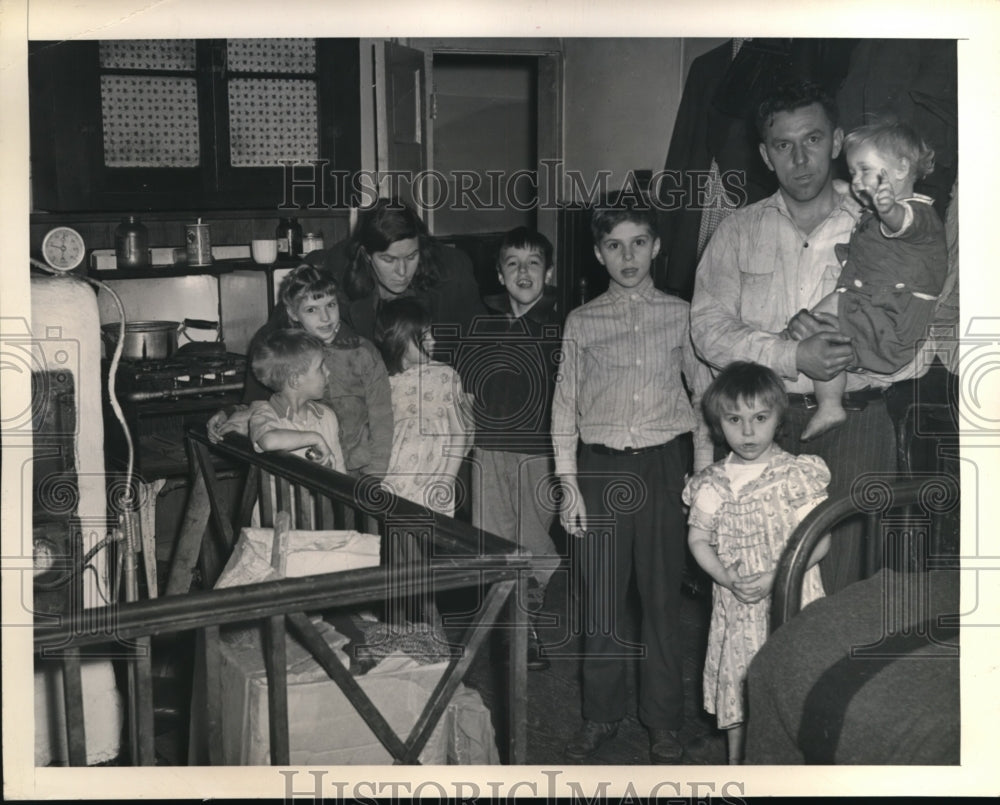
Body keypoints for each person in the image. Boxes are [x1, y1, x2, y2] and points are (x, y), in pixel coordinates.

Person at [690, 79, 897, 596]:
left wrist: (849, 349)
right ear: (765, 154)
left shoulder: (886, 225)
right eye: (783, 145)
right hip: (763, 427)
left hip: (858, 423)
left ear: (837, 142)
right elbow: (707, 332)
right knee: (759, 586)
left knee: (846, 586)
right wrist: (792, 354)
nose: (800, 158)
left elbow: (911, 331)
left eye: (812, 139)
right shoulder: (737, 232)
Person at [551, 201, 713, 764]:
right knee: (601, 602)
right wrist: (568, 484)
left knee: (661, 600)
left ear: (657, 247)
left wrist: (704, 478)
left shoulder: (683, 315)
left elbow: (702, 401)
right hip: (600, 471)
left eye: (639, 243)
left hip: (665, 468)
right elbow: (564, 406)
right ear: (598, 254)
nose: (628, 256)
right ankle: (601, 714)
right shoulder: (581, 321)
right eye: (614, 246)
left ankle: (664, 721)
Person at [682, 361, 829, 764]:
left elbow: (819, 540)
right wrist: (725, 578)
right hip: (736, 606)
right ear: (718, 423)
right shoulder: (711, 482)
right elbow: (698, 539)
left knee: (792, 685)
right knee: (740, 689)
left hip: (791, 598)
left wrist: (777, 575)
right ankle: (738, 766)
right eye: (734, 419)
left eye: (760, 418)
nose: (747, 432)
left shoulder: (794, 475)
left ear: (779, 417)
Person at [800, 121, 948, 440]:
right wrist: (842, 187)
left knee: (825, 333)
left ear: (901, 169)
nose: (857, 181)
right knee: (818, 324)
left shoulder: (918, 215)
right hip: (869, 300)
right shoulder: (874, 210)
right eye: (853, 173)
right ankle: (822, 381)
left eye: (864, 170)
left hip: (892, 316)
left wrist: (888, 207)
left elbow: (900, 222)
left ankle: (829, 405)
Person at [458, 226, 563, 671]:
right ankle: (512, 629)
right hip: (488, 449)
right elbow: (462, 384)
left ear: (549, 272)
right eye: (513, 264)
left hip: (539, 452)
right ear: (499, 275)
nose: (523, 272)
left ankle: (528, 625)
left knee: (533, 543)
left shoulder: (561, 325)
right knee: (494, 542)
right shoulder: (479, 323)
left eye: (533, 263)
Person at [208, 264, 393, 479]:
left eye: (330, 305)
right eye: (311, 309)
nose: (325, 317)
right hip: (304, 466)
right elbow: (266, 404)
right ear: (293, 313)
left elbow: (382, 417)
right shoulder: (286, 354)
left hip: (357, 468)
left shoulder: (363, 352)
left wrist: (376, 475)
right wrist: (228, 413)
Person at [304, 198, 487, 348]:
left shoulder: (453, 270)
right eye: (389, 260)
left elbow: (478, 344)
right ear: (366, 255)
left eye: (411, 256)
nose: (402, 272)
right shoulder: (332, 271)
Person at [375, 298, 471, 517]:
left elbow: (460, 432)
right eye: (423, 336)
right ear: (399, 340)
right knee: (398, 542)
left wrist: (447, 480)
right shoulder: (384, 382)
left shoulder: (446, 376)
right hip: (394, 480)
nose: (433, 341)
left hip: (435, 479)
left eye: (431, 333)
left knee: (431, 541)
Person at [246, 328, 346, 472]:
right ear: (295, 381)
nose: (328, 371)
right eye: (320, 368)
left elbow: (340, 473)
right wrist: (314, 438)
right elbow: (268, 441)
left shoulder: (327, 416)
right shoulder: (265, 414)